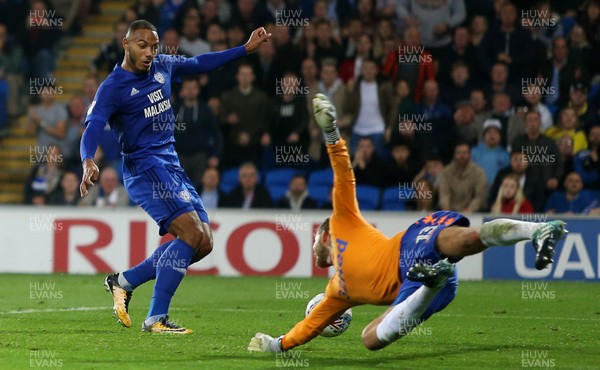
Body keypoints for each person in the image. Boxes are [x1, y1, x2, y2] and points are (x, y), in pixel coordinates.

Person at [247, 93, 567, 353]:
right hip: (417, 291)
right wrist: (277, 345)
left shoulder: (344, 219)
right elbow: (309, 327)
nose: (314, 249)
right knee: (370, 339)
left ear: (323, 234)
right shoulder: (337, 293)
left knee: (468, 240)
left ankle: (536, 230)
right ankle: (433, 282)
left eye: (314, 240)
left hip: (408, 249)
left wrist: (332, 133)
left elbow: (343, 173)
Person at [79, 20, 271, 334]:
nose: (149, 53)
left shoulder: (163, 66)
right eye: (143, 45)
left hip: (171, 164)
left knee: (203, 242)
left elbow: (199, 63)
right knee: (192, 235)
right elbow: (94, 126)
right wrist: (88, 160)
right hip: (144, 169)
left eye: (154, 47)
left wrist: (244, 49)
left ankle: (124, 281)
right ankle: (156, 318)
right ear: (126, 44)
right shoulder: (113, 86)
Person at [438, 142, 487, 212]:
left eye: (464, 153)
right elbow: (444, 195)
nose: (462, 156)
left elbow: (479, 197)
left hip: (473, 214)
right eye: (459, 153)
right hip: (450, 212)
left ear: (470, 154)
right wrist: (447, 211)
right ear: (454, 155)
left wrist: (469, 211)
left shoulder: (479, 173)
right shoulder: (446, 172)